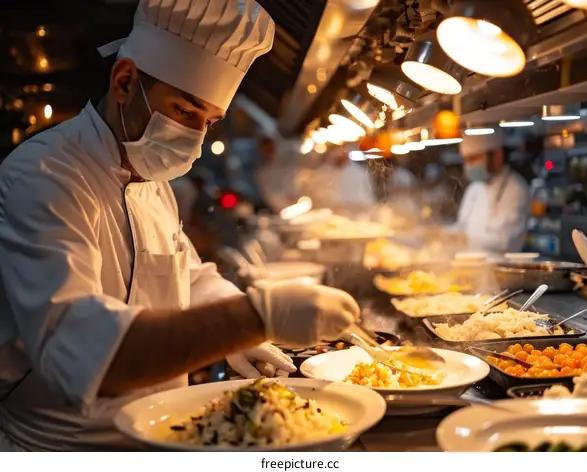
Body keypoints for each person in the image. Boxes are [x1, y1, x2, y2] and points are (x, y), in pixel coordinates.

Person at [0, 0, 360, 451]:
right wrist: (256, 317)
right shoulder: (44, 175)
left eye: (209, 122)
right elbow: (85, 354)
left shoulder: (152, 182)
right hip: (66, 447)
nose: (196, 137)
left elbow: (186, 277)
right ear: (125, 81)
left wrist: (247, 328)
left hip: (164, 433)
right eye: (186, 112)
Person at [455, 130, 530, 254]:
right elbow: (461, 227)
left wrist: (467, 239)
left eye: (474, 159)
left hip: (501, 268)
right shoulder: (474, 188)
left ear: (497, 155)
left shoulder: (516, 188)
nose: (469, 166)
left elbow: (507, 242)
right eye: (466, 160)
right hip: (469, 266)